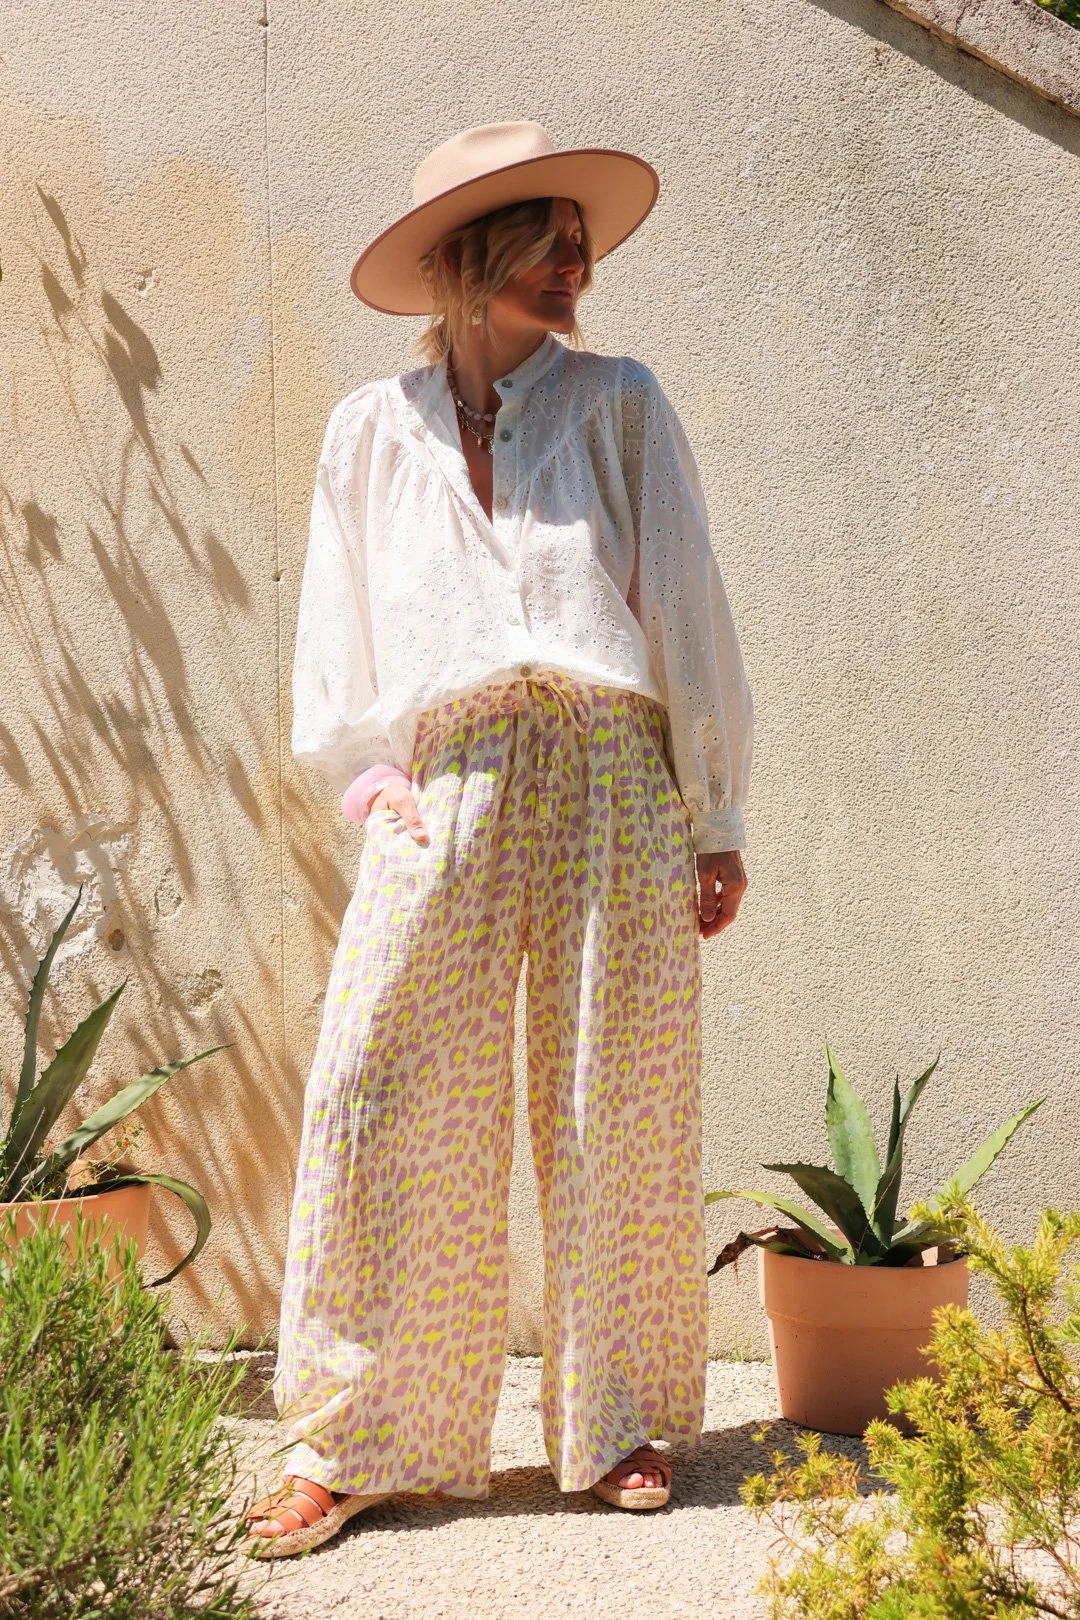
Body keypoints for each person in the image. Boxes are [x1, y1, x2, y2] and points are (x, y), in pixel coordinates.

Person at [244, 120, 753, 1559]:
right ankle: (360, 1437)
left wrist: (711, 810)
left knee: (617, 1096)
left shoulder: (619, 402)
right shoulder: (370, 428)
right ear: (466, 261)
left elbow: (683, 605)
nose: (577, 260)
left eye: (579, 239)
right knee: (381, 1089)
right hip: (449, 774)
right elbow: (336, 621)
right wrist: (368, 780)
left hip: (609, 767)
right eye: (547, 237)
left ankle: (617, 1421)